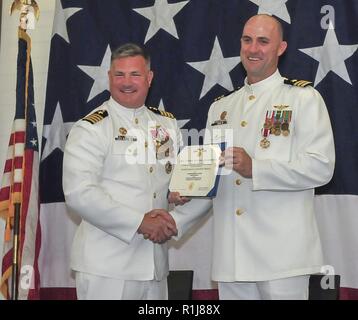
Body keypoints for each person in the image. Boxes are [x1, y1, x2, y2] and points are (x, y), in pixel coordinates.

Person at [169, 14, 335, 300]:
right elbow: (213, 182)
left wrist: (255, 168)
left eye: (263, 41)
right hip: (232, 257)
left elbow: (321, 167)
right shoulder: (221, 108)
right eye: (247, 40)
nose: (253, 49)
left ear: (280, 48)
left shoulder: (303, 98)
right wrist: (178, 212)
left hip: (282, 258)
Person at [62, 43, 183, 300]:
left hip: (154, 265)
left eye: (135, 74)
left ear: (149, 78)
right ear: (109, 78)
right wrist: (139, 222)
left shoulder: (166, 124)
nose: (126, 82)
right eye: (119, 75)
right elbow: (79, 194)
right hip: (107, 268)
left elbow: (171, 181)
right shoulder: (92, 128)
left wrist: (179, 193)